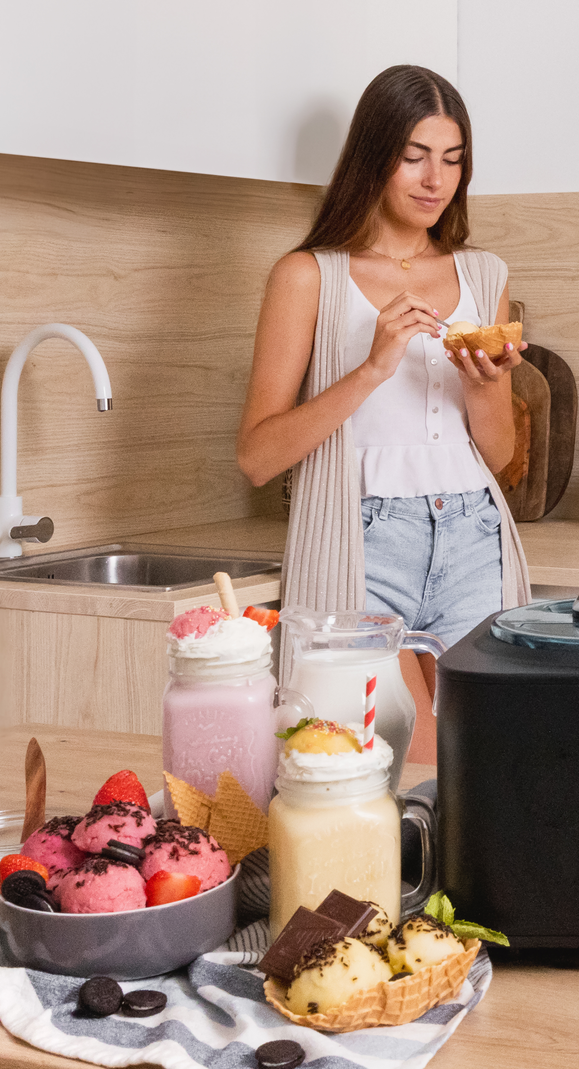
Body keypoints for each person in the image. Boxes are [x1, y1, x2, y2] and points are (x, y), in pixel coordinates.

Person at [238, 64, 531, 761]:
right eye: (414, 158)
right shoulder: (308, 275)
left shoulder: (483, 274)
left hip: (472, 537)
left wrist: (487, 385)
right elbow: (256, 457)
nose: (436, 180)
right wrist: (370, 368)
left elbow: (497, 457)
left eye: (453, 161)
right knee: (401, 770)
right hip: (364, 543)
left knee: (490, 763)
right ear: (373, 158)